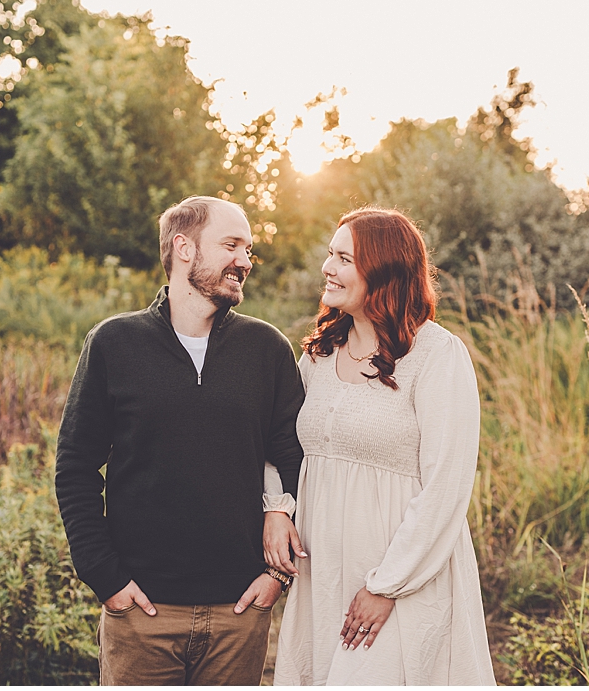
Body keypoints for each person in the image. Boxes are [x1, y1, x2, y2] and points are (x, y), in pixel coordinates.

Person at [55, 196, 305, 685]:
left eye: (249, 249)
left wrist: (276, 575)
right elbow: (76, 468)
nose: (246, 261)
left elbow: (297, 459)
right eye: (231, 245)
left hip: (240, 613)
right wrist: (105, 578)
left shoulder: (267, 349)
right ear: (183, 248)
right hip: (142, 615)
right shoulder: (113, 343)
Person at [263, 207, 497, 685]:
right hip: (324, 573)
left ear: (384, 270)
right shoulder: (318, 356)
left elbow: (445, 488)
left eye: (344, 258)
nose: (327, 267)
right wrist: (279, 508)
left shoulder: (436, 355)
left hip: (400, 575)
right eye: (330, 255)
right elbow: (280, 443)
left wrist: (387, 585)